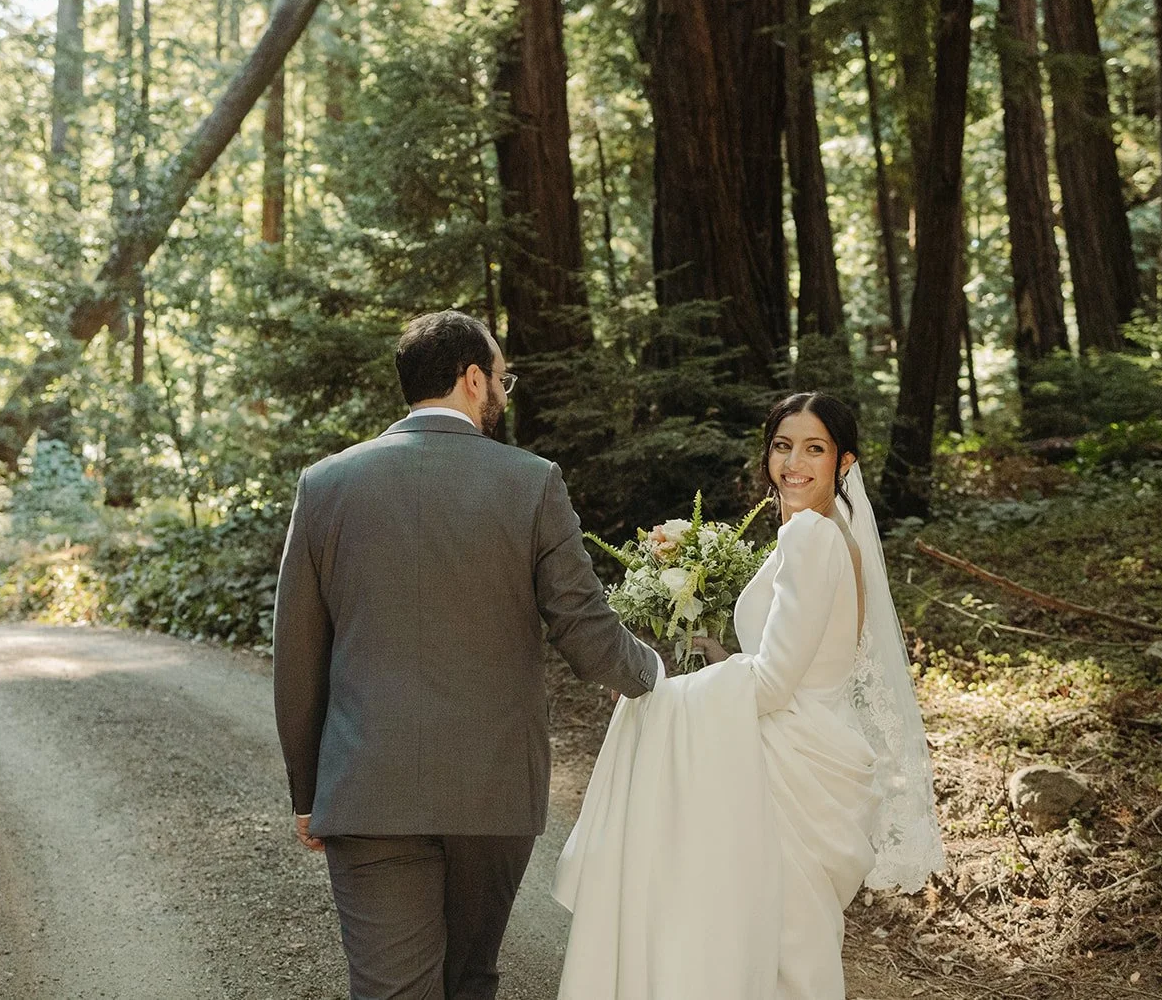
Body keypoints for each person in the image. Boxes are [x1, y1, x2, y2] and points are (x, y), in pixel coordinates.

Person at [272, 309, 663, 1000]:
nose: (504, 393)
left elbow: (298, 656)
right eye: (502, 377)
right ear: (473, 378)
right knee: (469, 979)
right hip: (494, 794)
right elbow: (583, 627)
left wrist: (309, 791)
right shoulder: (532, 480)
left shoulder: (326, 484)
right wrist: (656, 673)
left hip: (368, 792)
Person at [553, 391, 945, 1000]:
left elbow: (771, 684)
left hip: (789, 762)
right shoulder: (834, 533)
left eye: (814, 449)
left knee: (781, 947)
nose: (794, 462)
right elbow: (792, 661)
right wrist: (719, 656)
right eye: (783, 446)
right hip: (809, 738)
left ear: (845, 463)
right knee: (788, 946)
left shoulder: (811, 537)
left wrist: (656, 693)